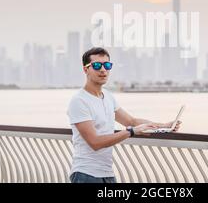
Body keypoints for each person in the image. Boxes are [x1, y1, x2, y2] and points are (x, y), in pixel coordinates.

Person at [67, 47, 181, 183]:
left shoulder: (108, 97)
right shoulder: (79, 101)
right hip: (86, 175)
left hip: (107, 174)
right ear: (86, 69)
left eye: (107, 65)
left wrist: (165, 125)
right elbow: (95, 142)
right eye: (97, 65)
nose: (103, 70)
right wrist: (131, 132)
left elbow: (131, 121)